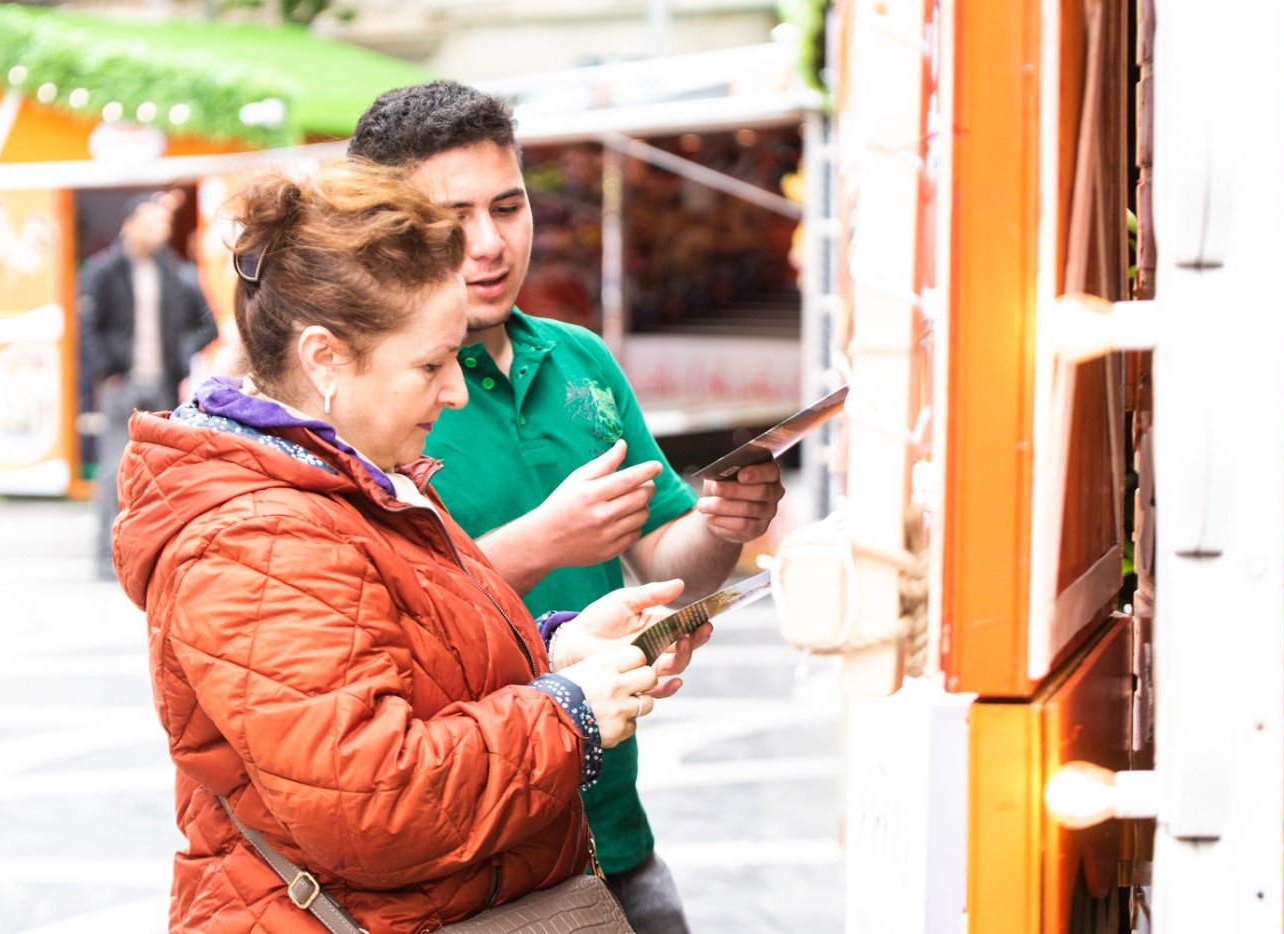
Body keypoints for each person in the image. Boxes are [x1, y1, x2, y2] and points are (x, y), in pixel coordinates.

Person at [110, 160, 707, 934]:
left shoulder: (359, 478)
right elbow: (373, 801)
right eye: (431, 365)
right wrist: (570, 713)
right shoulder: (254, 535)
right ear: (324, 358)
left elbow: (413, 668)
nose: (456, 391)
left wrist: (556, 651)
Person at [348, 81, 786, 933]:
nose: (488, 243)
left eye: (508, 207)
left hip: (613, 824)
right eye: (454, 216)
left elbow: (666, 559)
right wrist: (545, 541)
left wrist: (724, 522)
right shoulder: (364, 397)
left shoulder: (579, 357)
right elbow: (381, 615)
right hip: (470, 852)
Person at [80, 191, 219, 579]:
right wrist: (109, 368)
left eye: (164, 223)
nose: (161, 229)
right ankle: (106, 557)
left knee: (157, 472)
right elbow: (88, 325)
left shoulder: (171, 271)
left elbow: (209, 322)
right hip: (120, 384)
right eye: (153, 221)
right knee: (112, 470)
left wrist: (181, 351)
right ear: (131, 223)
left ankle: (145, 556)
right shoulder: (104, 270)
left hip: (161, 384)